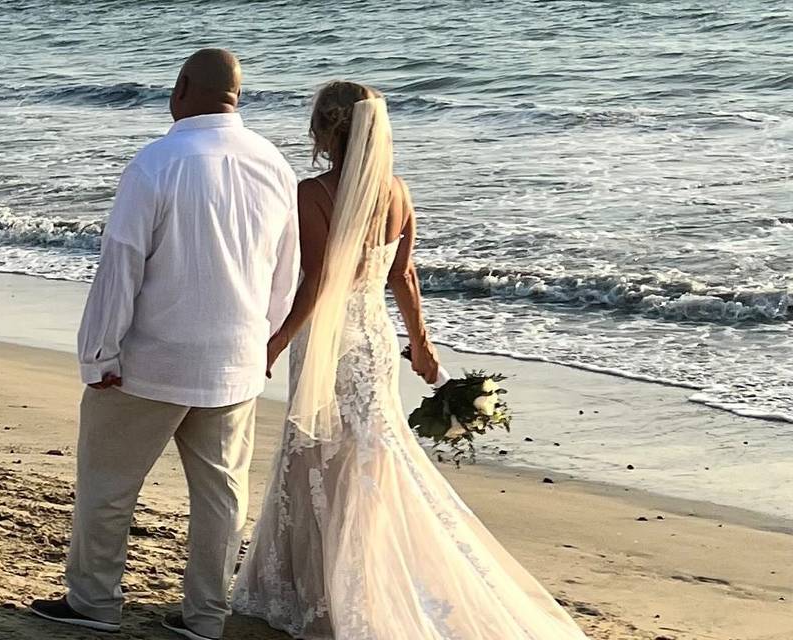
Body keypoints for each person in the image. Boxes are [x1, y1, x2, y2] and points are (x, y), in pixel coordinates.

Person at [231, 81, 589, 640]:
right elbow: (403, 275)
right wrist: (422, 345)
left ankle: (324, 589)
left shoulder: (313, 194)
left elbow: (321, 280)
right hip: (373, 339)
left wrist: (276, 342)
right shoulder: (397, 191)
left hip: (331, 340)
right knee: (370, 453)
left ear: (325, 131)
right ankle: (357, 575)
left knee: (319, 456)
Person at [30, 48, 299, 640]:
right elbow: (286, 273)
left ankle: (95, 602)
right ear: (239, 96)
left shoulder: (157, 162)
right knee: (221, 495)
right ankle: (206, 615)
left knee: (109, 485)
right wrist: (262, 343)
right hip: (234, 361)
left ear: (180, 90)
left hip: (150, 360)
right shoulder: (274, 165)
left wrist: (98, 352)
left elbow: (121, 263)